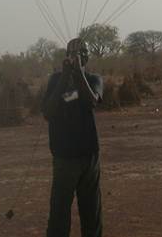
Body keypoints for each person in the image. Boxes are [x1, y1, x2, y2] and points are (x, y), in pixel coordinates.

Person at [42, 37, 103, 237]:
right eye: (74, 54)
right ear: (66, 56)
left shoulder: (94, 79)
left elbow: (91, 102)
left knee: (91, 213)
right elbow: (48, 112)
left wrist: (78, 74)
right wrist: (64, 76)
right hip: (64, 157)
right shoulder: (55, 80)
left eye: (82, 53)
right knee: (59, 214)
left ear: (87, 57)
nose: (79, 57)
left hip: (88, 157)